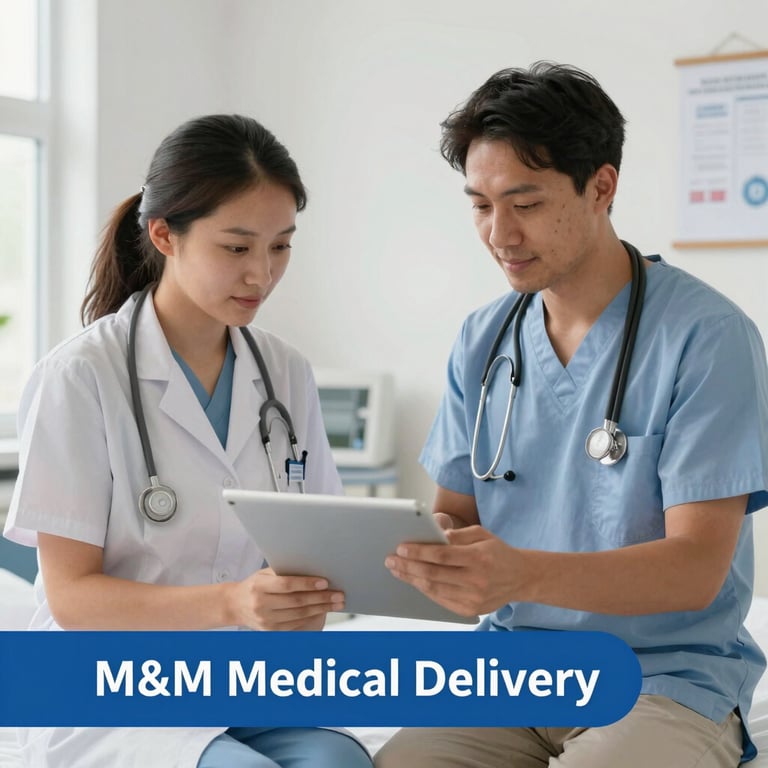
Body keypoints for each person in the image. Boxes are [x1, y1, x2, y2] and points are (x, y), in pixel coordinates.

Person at [376, 62, 768, 768]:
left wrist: (519, 575)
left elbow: (695, 570)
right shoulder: (484, 338)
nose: (500, 233)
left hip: (661, 679)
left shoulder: (708, 338)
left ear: (602, 187)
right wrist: (433, 556)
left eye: (525, 203)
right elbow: (455, 514)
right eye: (480, 205)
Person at [3, 114, 373, 768]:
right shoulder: (81, 376)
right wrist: (234, 603)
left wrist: (309, 599)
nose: (261, 274)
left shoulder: (284, 372)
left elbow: (317, 549)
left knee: (340, 762)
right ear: (164, 235)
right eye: (236, 248)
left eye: (280, 246)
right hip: (111, 686)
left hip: (245, 680)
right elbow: (71, 596)